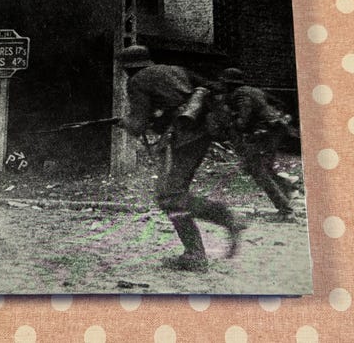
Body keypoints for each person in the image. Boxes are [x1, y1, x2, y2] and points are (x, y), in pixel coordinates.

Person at [118, 45, 243, 271]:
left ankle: (200, 249)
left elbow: (137, 125)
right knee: (172, 193)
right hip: (200, 133)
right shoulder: (176, 70)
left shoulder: (137, 81)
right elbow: (207, 88)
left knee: (170, 196)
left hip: (184, 137)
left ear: (128, 67)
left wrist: (124, 122)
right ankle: (218, 228)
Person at [218, 67, 298, 222]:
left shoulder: (240, 94)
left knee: (258, 171)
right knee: (261, 168)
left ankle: (286, 210)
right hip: (273, 130)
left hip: (265, 132)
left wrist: (231, 123)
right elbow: (278, 103)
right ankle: (286, 186)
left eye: (224, 83)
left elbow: (244, 119)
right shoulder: (252, 90)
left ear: (229, 84)